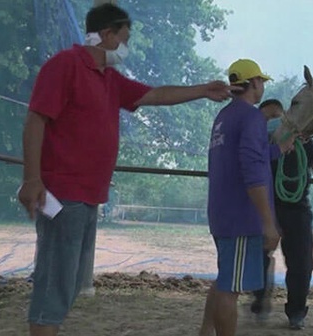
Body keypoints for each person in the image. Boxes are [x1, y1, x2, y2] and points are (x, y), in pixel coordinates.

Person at [17, 4, 236, 336]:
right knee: (54, 282)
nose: (126, 47)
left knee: (72, 281)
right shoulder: (65, 66)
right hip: (63, 193)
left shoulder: (109, 79)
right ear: (107, 35)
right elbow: (36, 118)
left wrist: (203, 90)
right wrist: (32, 179)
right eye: (124, 38)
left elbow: (154, 94)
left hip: (89, 196)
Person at [198, 60, 295, 336]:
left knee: (225, 278)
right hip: (242, 219)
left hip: (221, 215)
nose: (263, 86)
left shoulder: (224, 117)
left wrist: (278, 150)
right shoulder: (252, 118)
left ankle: (205, 331)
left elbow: (245, 157)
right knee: (231, 289)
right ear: (253, 83)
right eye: (261, 81)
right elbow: (252, 171)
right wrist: (267, 222)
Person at [252, 99, 313, 330]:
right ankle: (260, 300)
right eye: (269, 118)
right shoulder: (260, 143)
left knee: (302, 263)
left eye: (278, 116)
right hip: (267, 208)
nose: (275, 121)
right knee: (259, 256)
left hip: (298, 209)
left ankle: (296, 312)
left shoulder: (304, 142)